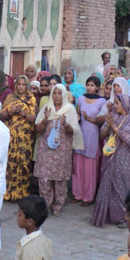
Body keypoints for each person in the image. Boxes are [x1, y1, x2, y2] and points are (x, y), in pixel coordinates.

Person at [92, 94, 130, 228]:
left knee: (121, 188)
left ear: (125, 104)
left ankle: (122, 217)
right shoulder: (112, 116)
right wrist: (108, 125)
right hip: (110, 157)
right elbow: (102, 135)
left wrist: (113, 125)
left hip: (125, 158)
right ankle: (104, 214)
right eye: (115, 103)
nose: (115, 105)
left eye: (118, 103)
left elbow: (127, 138)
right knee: (106, 185)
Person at [34, 84, 83, 216]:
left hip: (62, 150)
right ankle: (45, 204)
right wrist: (45, 119)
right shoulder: (47, 108)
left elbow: (75, 130)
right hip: (46, 149)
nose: (56, 96)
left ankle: (58, 206)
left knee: (60, 180)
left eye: (59, 93)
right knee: (44, 178)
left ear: (64, 95)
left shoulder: (70, 110)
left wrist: (66, 125)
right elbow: (38, 129)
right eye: (54, 93)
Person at [0, 76, 37, 201]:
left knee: (23, 164)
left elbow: (34, 119)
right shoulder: (10, 98)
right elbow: (0, 116)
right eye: (19, 84)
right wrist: (10, 110)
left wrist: (24, 114)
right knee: (10, 164)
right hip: (10, 136)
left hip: (25, 138)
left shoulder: (31, 99)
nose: (21, 87)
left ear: (27, 86)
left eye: (23, 84)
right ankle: (8, 193)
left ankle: (23, 194)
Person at [74, 76, 105, 206]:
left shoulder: (102, 101)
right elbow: (77, 115)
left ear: (97, 87)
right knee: (78, 165)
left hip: (93, 135)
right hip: (81, 134)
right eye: (88, 85)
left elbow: (102, 120)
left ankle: (88, 197)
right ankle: (78, 194)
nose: (89, 87)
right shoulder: (80, 99)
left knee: (89, 167)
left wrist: (91, 119)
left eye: (92, 85)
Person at [15, 195, 53, 260]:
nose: (16, 216)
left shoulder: (30, 250)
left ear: (30, 222)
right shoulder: (45, 240)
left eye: (20, 214)